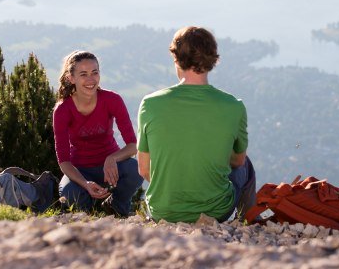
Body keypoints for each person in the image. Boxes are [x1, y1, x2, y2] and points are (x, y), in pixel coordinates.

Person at [137, 26, 256, 223]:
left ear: (175, 58)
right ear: (213, 59)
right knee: (247, 166)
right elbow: (238, 161)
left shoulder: (150, 104)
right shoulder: (234, 106)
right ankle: (248, 222)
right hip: (215, 212)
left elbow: (144, 169)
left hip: (163, 212)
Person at [53, 50, 143, 217]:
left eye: (95, 72)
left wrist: (112, 158)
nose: (90, 79)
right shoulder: (62, 111)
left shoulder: (112, 100)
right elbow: (64, 162)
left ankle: (116, 206)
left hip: (112, 170)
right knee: (69, 193)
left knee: (137, 170)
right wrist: (85, 184)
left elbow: (133, 146)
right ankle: (90, 213)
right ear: (70, 78)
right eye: (83, 74)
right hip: (81, 171)